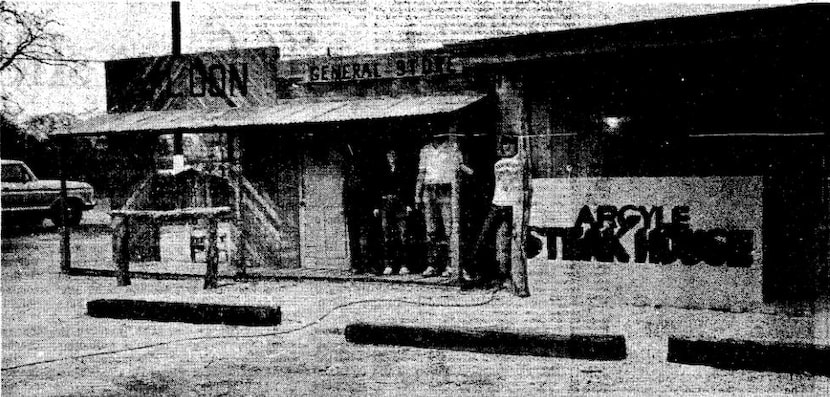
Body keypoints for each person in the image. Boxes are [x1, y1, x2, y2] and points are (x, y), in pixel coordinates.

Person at [470, 136, 527, 288]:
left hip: (513, 205)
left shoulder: (521, 161)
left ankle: (509, 277)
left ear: (516, 145)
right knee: (486, 236)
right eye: (504, 144)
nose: (506, 147)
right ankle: (477, 271)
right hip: (497, 203)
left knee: (512, 240)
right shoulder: (497, 163)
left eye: (509, 144)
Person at [414, 133, 473, 277]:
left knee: (449, 229)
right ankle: (432, 265)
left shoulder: (452, 148)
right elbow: (421, 173)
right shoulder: (425, 150)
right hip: (429, 190)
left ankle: (450, 264)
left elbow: (462, 168)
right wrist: (417, 194)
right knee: (431, 229)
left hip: (446, 189)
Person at [373, 149, 412, 275]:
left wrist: (408, 204)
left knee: (403, 235)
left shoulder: (403, 170)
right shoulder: (381, 170)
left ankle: (404, 265)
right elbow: (377, 188)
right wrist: (376, 206)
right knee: (387, 236)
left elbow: (408, 186)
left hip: (400, 204)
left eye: (394, 155)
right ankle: (389, 265)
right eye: (389, 155)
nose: (391, 157)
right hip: (386, 205)